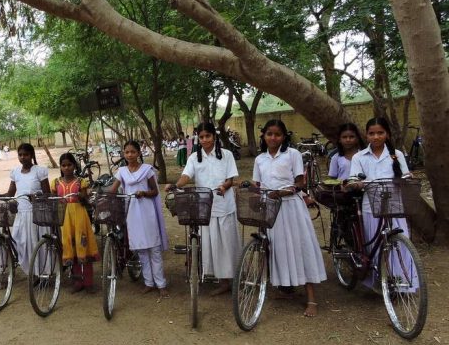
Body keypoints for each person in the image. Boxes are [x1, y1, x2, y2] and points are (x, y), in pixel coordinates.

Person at [253, 119, 326, 317]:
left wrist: (284, 191)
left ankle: (311, 299)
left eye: (277, 134)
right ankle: (287, 287)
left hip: (292, 207)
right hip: (271, 209)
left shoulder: (292, 154)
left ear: (284, 136)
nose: (273, 137)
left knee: (301, 247)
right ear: (264, 136)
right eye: (269, 134)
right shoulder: (260, 159)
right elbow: (257, 184)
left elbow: (300, 182)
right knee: (279, 248)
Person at [167, 122, 240, 296]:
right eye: (201, 137)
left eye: (208, 136)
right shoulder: (193, 157)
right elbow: (186, 176)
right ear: (198, 139)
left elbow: (231, 179)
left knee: (228, 245)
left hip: (224, 206)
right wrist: (175, 185)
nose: (205, 139)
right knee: (212, 245)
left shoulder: (227, 155)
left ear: (214, 136)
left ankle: (234, 280)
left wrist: (224, 186)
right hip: (205, 207)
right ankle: (222, 282)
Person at [347, 117, 413, 290]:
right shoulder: (359, 157)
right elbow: (353, 178)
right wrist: (356, 183)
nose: (376, 137)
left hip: (394, 207)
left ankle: (400, 282)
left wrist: (406, 178)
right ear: (366, 136)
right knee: (375, 247)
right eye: (372, 133)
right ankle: (379, 281)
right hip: (372, 208)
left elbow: (405, 175)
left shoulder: (396, 155)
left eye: (380, 133)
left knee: (398, 244)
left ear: (387, 134)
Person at [109, 140, 169, 297]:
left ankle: (161, 284)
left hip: (147, 212)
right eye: (127, 152)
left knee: (154, 249)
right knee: (142, 250)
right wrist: (100, 195)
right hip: (132, 213)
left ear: (139, 153)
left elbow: (155, 191)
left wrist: (144, 193)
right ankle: (149, 282)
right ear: (123, 154)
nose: (130, 155)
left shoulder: (147, 170)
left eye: (133, 152)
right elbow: (113, 190)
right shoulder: (121, 172)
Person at [53, 153, 99, 293]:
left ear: (74, 166)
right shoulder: (55, 182)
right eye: (63, 165)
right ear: (60, 167)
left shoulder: (80, 181)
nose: (66, 168)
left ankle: (89, 282)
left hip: (79, 216)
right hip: (64, 218)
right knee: (69, 246)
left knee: (83, 245)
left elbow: (85, 201)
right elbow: (54, 200)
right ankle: (77, 282)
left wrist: (82, 196)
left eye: (69, 165)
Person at [0, 143, 50, 275]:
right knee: (20, 241)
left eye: (26, 155)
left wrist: (37, 196)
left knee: (36, 243)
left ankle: (41, 272)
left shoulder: (40, 171)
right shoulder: (15, 172)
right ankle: (31, 271)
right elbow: (10, 193)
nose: (23, 157)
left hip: (36, 214)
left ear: (31, 155)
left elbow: (47, 193)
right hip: (21, 213)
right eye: (20, 155)